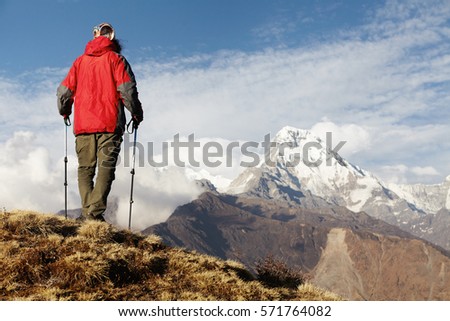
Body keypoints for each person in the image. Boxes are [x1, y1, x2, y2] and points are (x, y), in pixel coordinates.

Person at [57, 22, 144, 221]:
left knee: (85, 169)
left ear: (94, 36)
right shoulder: (117, 60)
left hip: (83, 126)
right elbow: (127, 91)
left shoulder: (79, 63)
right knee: (106, 168)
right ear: (112, 38)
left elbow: (64, 92)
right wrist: (136, 114)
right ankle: (93, 214)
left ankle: (88, 212)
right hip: (110, 124)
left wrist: (65, 111)